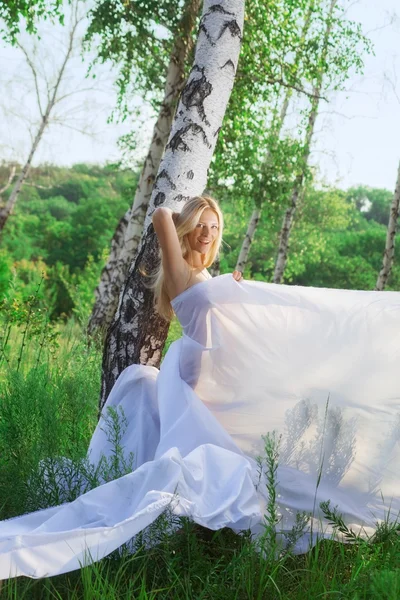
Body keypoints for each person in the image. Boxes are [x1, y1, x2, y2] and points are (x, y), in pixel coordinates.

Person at [1, 195, 400, 580]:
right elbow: (159, 212)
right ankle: (178, 533)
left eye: (215, 227)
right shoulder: (179, 271)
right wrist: (182, 219)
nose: (208, 234)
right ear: (187, 228)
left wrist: (234, 287)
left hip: (212, 371)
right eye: (201, 226)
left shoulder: (205, 273)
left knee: (252, 442)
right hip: (190, 375)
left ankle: (205, 531)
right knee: (205, 462)